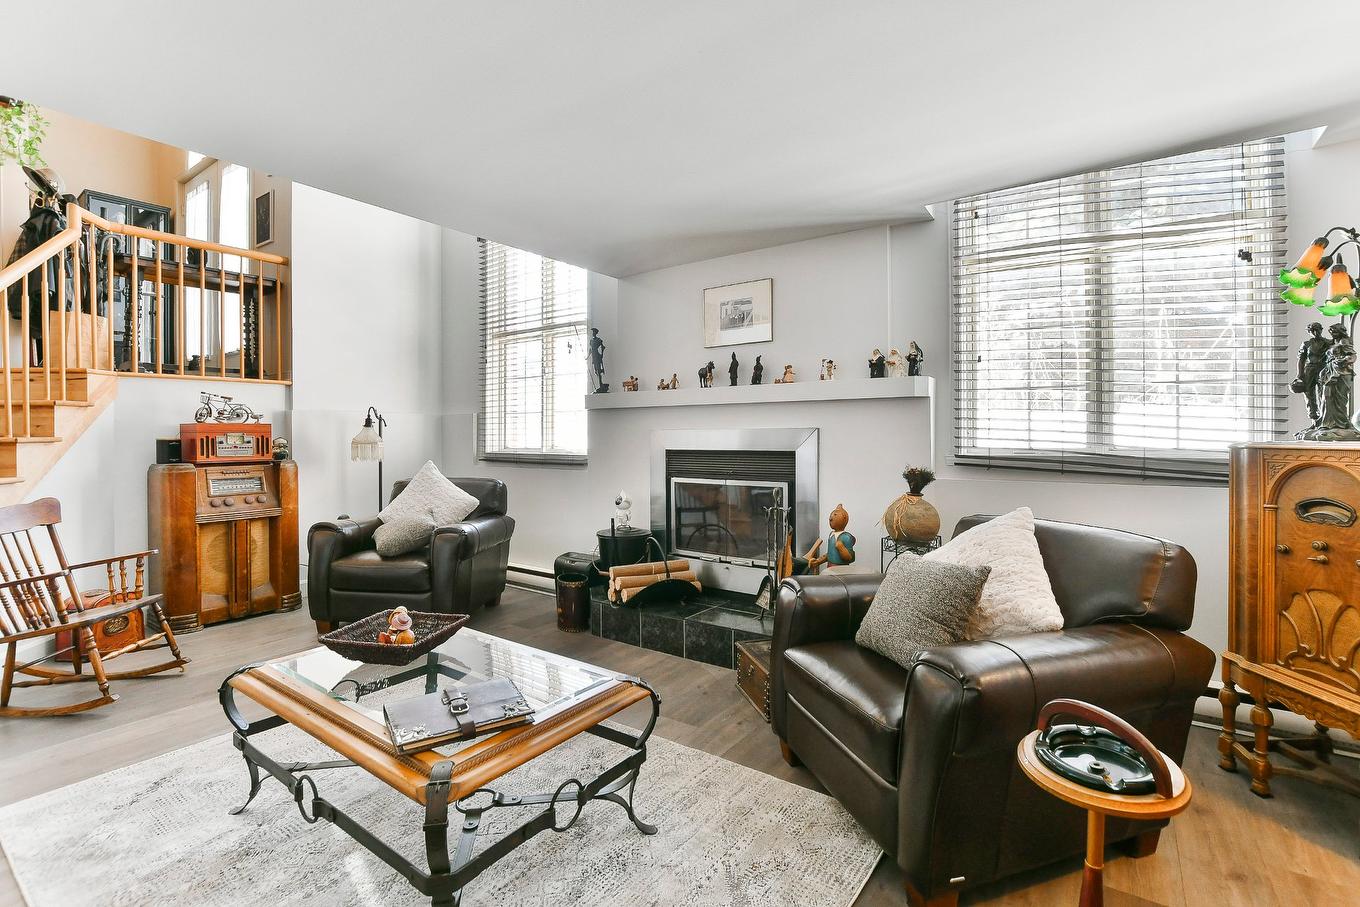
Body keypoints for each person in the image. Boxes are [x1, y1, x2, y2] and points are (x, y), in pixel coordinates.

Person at [1292, 322, 1333, 427]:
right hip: (1309, 370)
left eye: (1318, 329)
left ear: (1321, 329)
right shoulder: (1306, 344)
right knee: (1309, 394)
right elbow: (1301, 360)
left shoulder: (1328, 343)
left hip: (1323, 369)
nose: (1316, 332)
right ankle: (1314, 418)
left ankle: (1323, 418)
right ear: (1309, 332)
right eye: (1313, 330)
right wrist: (1300, 374)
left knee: (1322, 394)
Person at [825, 504, 856, 569]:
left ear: (844, 517)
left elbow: (849, 558)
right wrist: (818, 561)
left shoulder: (846, 537)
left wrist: (842, 549)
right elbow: (830, 554)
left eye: (835, 515)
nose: (830, 518)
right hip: (829, 568)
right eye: (831, 515)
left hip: (842, 570)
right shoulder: (831, 535)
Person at [587, 328, 607, 393]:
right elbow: (591, 350)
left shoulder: (599, 340)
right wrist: (587, 357)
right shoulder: (591, 341)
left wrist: (601, 355)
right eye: (593, 332)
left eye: (594, 332)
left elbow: (603, 347)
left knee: (598, 371)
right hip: (594, 357)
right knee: (596, 371)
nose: (593, 333)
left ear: (596, 333)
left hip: (597, 356)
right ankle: (600, 385)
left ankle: (601, 385)